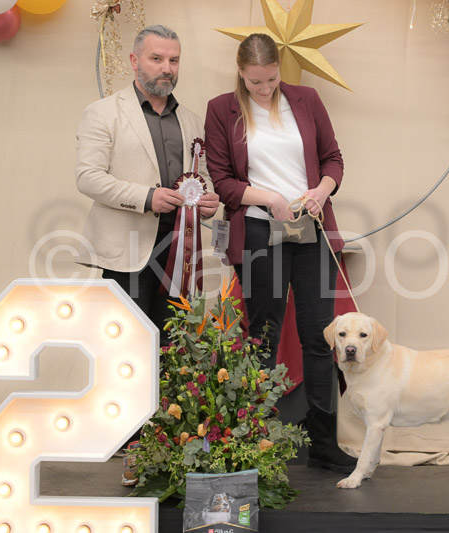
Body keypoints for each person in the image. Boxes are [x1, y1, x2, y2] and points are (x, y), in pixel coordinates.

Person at [204, 34, 356, 474]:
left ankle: (323, 443)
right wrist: (269, 197)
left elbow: (333, 159)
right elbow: (223, 181)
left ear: (279, 70)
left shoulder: (306, 100)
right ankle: (256, 440)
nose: (264, 88)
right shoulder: (221, 109)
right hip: (257, 230)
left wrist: (321, 191)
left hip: (311, 227)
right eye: (255, 82)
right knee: (263, 335)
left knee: (320, 336)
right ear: (240, 72)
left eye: (271, 79)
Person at [76, 25, 219, 348]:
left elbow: (202, 176)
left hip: (180, 255)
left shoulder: (192, 121)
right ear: (134, 60)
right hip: (126, 254)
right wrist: (147, 197)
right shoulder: (102, 113)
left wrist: (209, 200)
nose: (167, 68)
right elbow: (88, 176)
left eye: (174, 60)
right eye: (156, 59)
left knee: (173, 353)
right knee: (124, 350)